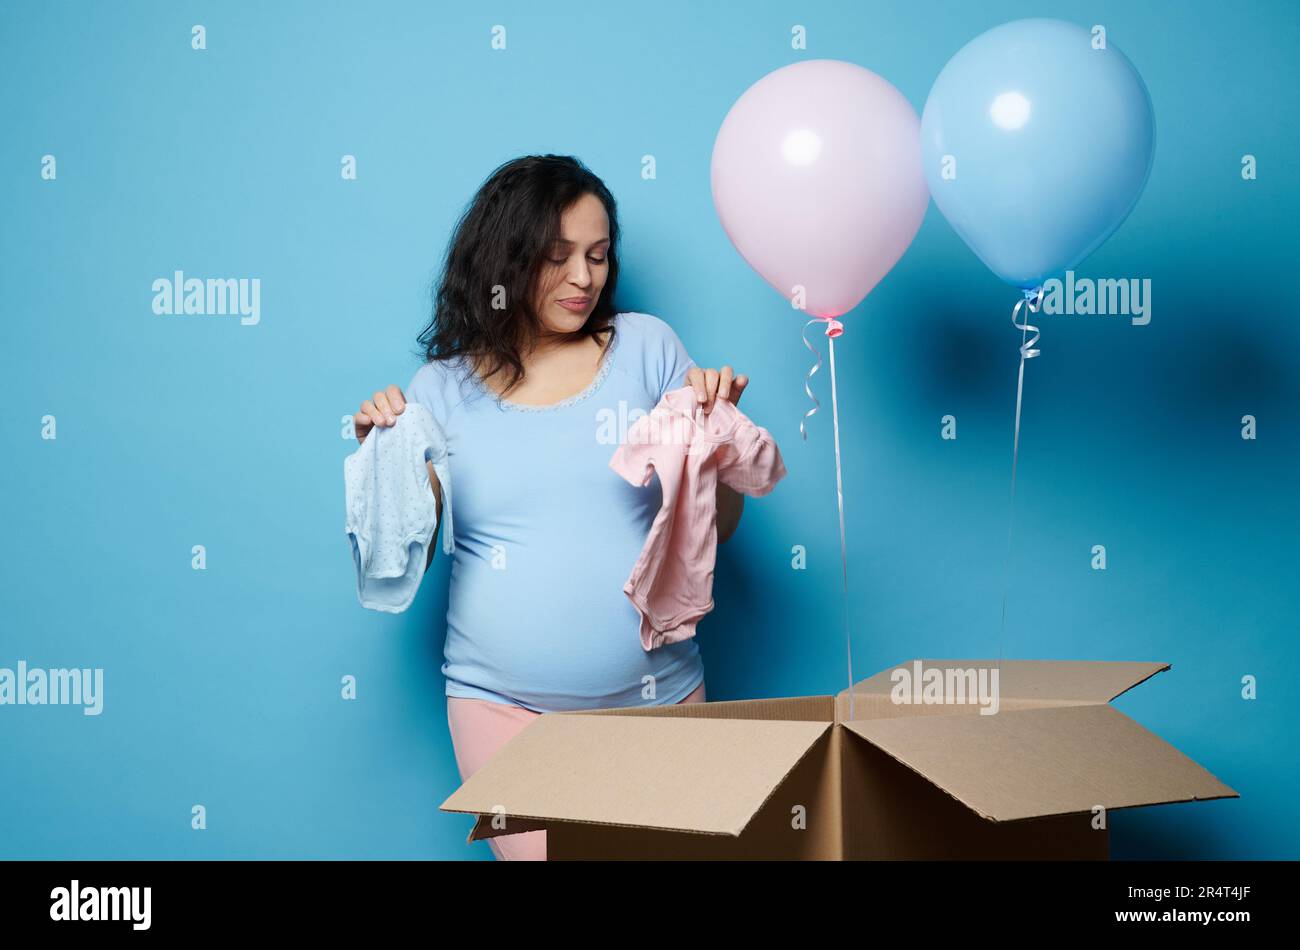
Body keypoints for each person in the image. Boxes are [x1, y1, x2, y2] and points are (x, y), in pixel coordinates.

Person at [353, 155, 752, 860]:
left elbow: (714, 532)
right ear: (504, 260)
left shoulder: (648, 349)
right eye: (558, 257)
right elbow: (397, 548)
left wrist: (713, 445)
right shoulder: (440, 389)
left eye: (598, 256)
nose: (583, 278)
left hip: (660, 702)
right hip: (502, 714)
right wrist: (381, 456)